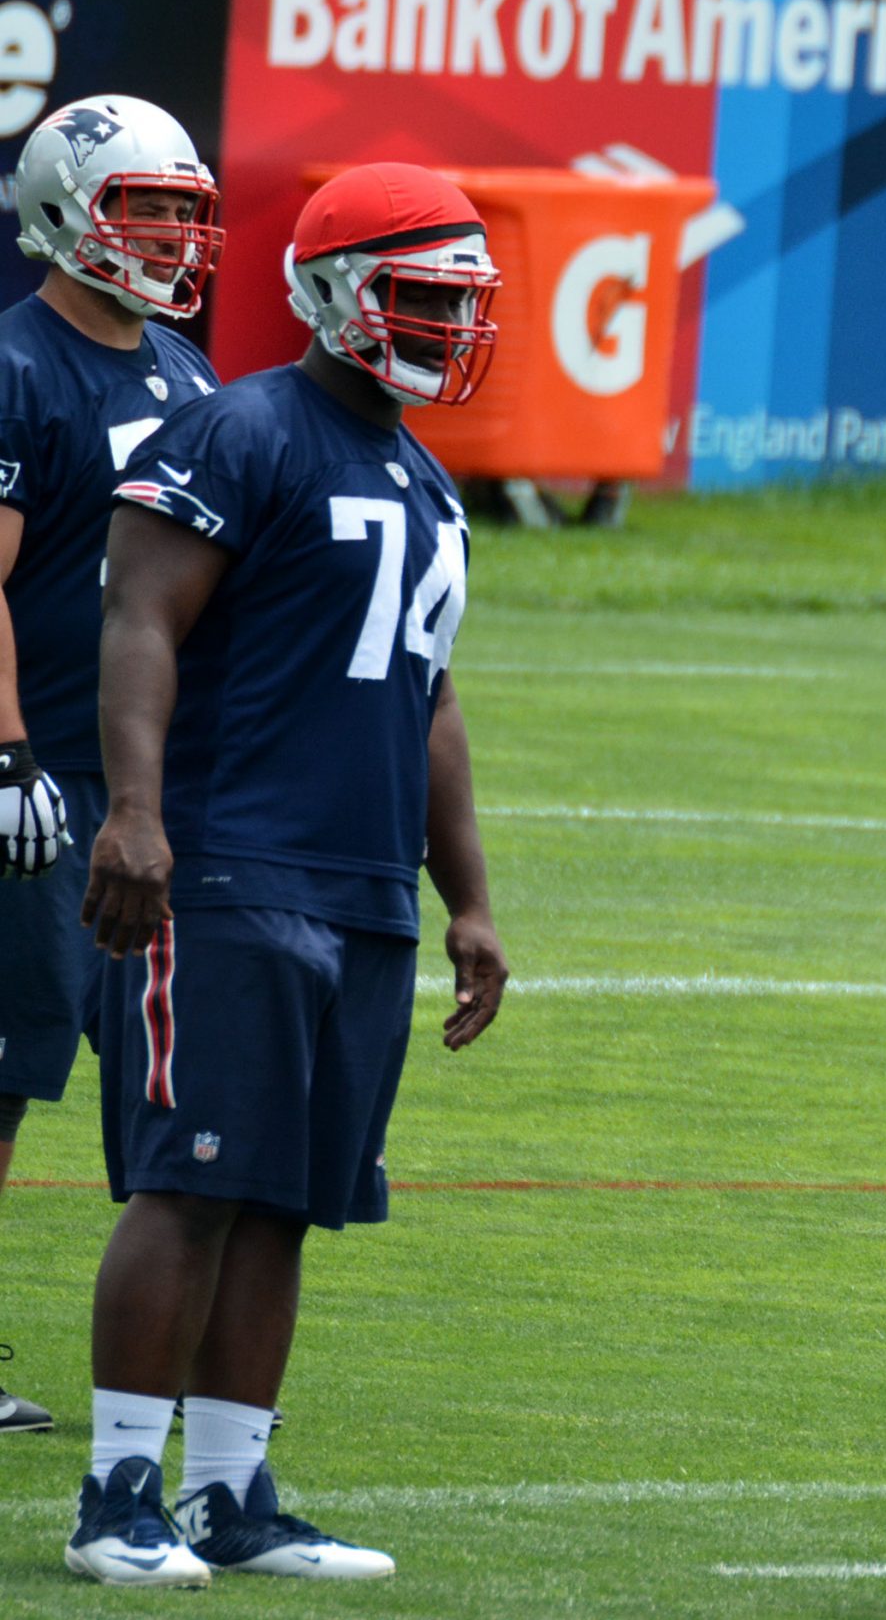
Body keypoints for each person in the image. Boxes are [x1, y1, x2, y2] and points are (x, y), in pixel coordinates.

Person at [64, 162, 509, 1589]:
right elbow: (140, 618)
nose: (446, 326)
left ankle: (230, 1493)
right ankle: (116, 1492)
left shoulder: (427, 481)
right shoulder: (239, 429)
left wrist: (468, 896)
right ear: (330, 291)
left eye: (460, 300)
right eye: (420, 295)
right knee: (193, 1180)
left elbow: (431, 698)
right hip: (231, 865)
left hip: (362, 883)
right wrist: (137, 814)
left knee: (285, 1197)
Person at [0, 94, 224, 1440]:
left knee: (176, 1077)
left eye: (181, 213)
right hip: (39, 776)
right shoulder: (17, 365)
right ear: (60, 213)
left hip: (150, 784)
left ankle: (171, 1360)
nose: (168, 238)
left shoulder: (189, 373)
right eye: (142, 210)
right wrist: (6, 753)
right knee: (5, 1065)